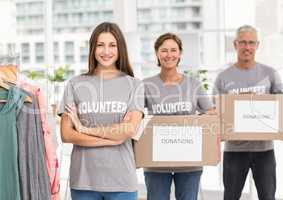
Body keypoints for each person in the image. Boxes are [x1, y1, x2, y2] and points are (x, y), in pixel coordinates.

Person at [59, 22, 144, 200]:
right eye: (100, 45)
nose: (106, 51)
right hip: (83, 180)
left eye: (112, 45)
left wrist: (83, 129)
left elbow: (129, 130)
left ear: (120, 48)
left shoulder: (134, 85)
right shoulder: (75, 84)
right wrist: (113, 139)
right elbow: (66, 134)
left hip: (121, 180)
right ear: (93, 48)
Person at [213, 25, 283, 200]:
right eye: (243, 42)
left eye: (251, 43)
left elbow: (282, 109)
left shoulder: (270, 74)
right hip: (234, 151)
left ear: (257, 45)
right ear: (235, 44)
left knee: (268, 197)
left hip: (264, 150)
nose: (247, 47)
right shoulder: (223, 76)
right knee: (231, 197)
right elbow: (215, 112)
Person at [143, 33, 215, 200]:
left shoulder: (194, 84)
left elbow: (211, 114)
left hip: (189, 161)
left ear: (180, 53)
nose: (169, 55)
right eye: (164, 50)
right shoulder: (146, 85)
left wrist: (204, 119)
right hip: (156, 163)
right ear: (157, 54)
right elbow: (135, 116)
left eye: (174, 50)